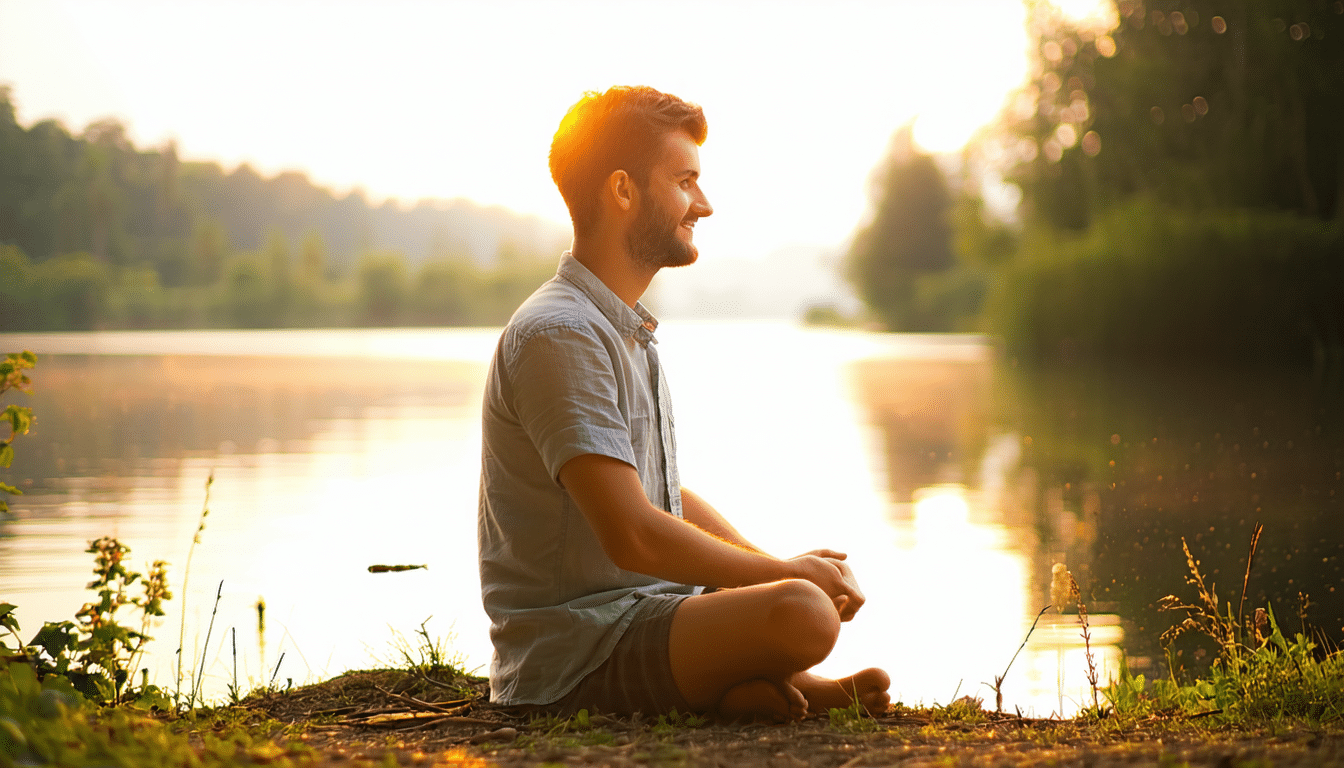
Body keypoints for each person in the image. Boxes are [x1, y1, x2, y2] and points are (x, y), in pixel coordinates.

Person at [477, 85, 890, 722]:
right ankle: (763, 679)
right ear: (622, 190)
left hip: (647, 614)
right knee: (801, 613)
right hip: (574, 652)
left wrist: (775, 565)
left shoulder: (620, 329)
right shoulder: (560, 334)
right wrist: (786, 576)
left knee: (791, 598)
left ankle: (751, 687)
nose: (705, 204)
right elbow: (634, 534)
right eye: (685, 181)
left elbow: (660, 497)